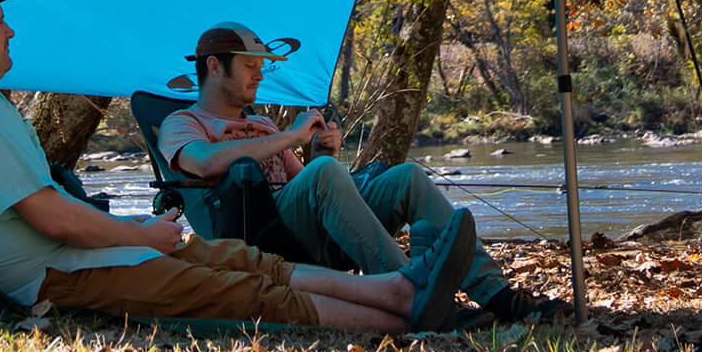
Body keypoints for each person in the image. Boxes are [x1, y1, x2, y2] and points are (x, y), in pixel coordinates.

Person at [0, 0, 475, 334]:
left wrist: (129, 224)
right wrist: (139, 235)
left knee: (247, 264)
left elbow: (45, 208)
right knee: (244, 291)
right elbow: (49, 216)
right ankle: (404, 313)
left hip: (67, 258)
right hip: (58, 275)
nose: (10, 33)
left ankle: (401, 287)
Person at [157, 22, 565, 327]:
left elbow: (308, 179)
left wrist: (316, 149)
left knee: (406, 177)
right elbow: (205, 163)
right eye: (249, 66)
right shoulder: (183, 123)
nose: (259, 76)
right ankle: (409, 296)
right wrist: (293, 138)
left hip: (300, 227)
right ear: (214, 66)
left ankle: (499, 296)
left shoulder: (264, 125)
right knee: (325, 173)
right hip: (253, 238)